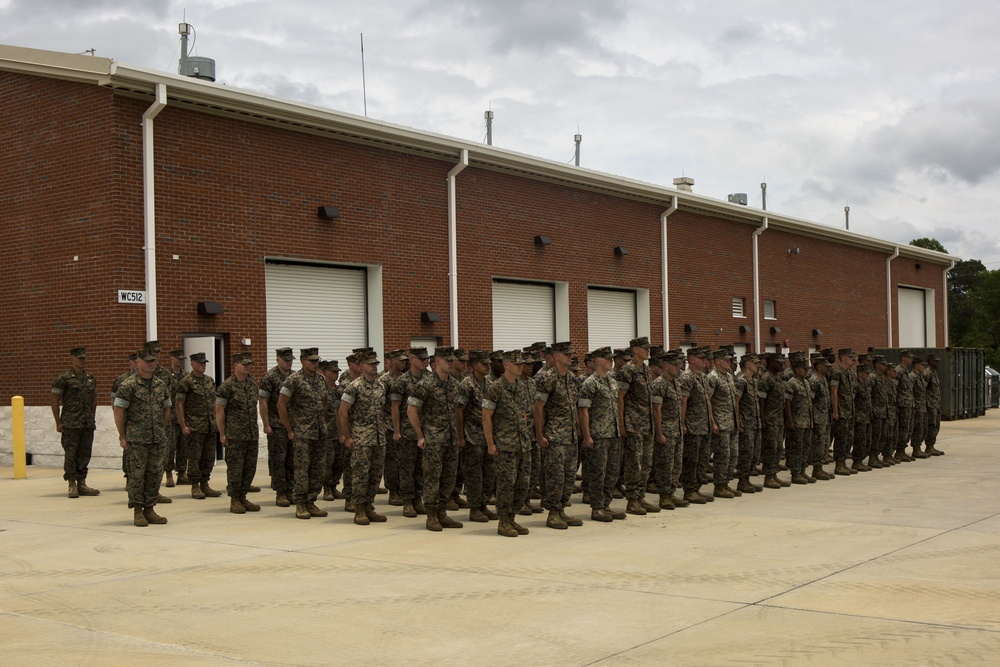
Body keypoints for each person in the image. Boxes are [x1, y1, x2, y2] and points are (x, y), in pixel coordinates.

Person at [113, 344, 172, 526]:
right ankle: (138, 510)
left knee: (154, 474)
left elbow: (167, 407)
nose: (151, 364)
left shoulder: (160, 384)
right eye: (147, 361)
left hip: (157, 438)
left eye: (153, 361)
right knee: (137, 475)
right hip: (137, 439)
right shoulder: (128, 385)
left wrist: (160, 427)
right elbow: (119, 411)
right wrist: (123, 436)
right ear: (138, 362)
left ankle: (150, 508)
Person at [408, 346, 463, 532]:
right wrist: (420, 435)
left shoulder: (454, 385)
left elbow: (456, 412)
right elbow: (411, 410)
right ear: (437, 361)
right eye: (448, 361)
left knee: (449, 477)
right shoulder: (425, 385)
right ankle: (431, 515)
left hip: (450, 440)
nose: (451, 364)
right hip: (433, 440)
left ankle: (442, 512)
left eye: (452, 361)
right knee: (432, 477)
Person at [483, 350, 533, 537]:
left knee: (522, 484)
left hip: (523, 444)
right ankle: (503, 521)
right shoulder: (495, 388)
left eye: (521, 364)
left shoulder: (523, 387)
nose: (520, 367)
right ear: (506, 365)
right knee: (506, 484)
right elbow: (486, 417)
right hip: (505, 445)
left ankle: (512, 518)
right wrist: (490, 443)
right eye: (516, 364)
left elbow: (527, 413)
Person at [534, 341, 582, 529]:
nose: (570, 356)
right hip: (554, 436)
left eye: (571, 353)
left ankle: (561, 509)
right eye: (567, 354)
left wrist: (577, 427)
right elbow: (538, 408)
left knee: (569, 475)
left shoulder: (570, 379)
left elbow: (574, 406)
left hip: (570, 436)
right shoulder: (547, 379)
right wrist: (539, 434)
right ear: (556, 357)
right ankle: (553, 513)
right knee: (555, 476)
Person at [339, 349, 389, 525]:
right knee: (360, 475)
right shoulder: (354, 387)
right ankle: (359, 509)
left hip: (378, 439)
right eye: (370, 364)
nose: (374, 367)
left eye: (376, 364)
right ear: (361, 366)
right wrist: (347, 436)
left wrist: (382, 426)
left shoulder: (380, 386)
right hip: (361, 439)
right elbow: (343, 412)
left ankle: (369, 507)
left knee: (375, 475)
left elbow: (381, 409)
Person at [278, 348, 329, 520]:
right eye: (312, 361)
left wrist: (323, 423)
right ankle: (300, 503)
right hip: (302, 433)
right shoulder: (293, 380)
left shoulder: (321, 379)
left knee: (318, 469)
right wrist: (290, 429)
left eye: (317, 361)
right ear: (302, 361)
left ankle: (311, 501)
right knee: (301, 469)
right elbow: (281, 405)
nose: (315, 364)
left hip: (320, 432)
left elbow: (325, 402)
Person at [579, 346, 627, 522]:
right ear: (598, 361)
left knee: (611, 472)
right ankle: (597, 507)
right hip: (598, 435)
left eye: (612, 359)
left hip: (613, 434)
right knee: (598, 473)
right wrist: (587, 436)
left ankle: (606, 505)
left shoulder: (612, 381)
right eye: (608, 359)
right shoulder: (590, 384)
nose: (611, 361)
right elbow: (583, 411)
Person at [617, 336, 660, 515]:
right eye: (645, 348)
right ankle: (632, 500)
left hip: (647, 423)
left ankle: (641, 496)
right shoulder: (628, 370)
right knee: (634, 464)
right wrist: (621, 424)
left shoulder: (646, 370)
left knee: (646, 462)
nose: (648, 350)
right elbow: (619, 397)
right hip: (633, 424)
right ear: (635, 350)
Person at [215, 352, 261, 514]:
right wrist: (222, 433)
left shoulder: (252, 383)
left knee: (250, 467)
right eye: (244, 364)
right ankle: (235, 499)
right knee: (235, 468)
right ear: (235, 366)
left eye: (249, 364)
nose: (248, 367)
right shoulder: (227, 386)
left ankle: (243, 496)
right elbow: (219, 410)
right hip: (235, 435)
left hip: (251, 434)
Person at [456, 349, 499, 523]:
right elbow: (459, 412)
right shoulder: (467, 385)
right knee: (474, 475)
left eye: (489, 363)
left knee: (489, 473)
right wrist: (460, 437)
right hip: (472, 436)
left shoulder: (490, 384)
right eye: (484, 364)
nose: (488, 366)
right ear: (474, 366)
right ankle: (474, 508)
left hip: (487, 437)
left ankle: (483, 504)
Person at [51, 347, 100, 498]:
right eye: (80, 358)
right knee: (71, 453)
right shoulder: (64, 378)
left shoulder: (90, 378)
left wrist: (92, 417)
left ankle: (82, 482)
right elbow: (54, 400)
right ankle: (71, 483)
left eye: (84, 358)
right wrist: (58, 422)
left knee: (85, 453)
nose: (82, 361)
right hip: (71, 423)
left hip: (87, 423)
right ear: (72, 359)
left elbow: (94, 400)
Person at [390, 347, 430, 517]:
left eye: (427, 359)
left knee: (421, 468)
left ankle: (417, 499)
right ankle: (407, 501)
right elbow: (395, 407)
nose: (425, 362)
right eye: (421, 359)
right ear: (412, 360)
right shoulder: (402, 381)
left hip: (426, 431)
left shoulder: (429, 379)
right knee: (407, 468)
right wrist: (397, 431)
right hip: (407, 432)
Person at [176, 352, 221, 499]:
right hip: (195, 426)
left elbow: (215, 402)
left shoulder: (209, 381)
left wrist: (217, 422)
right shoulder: (186, 382)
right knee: (195, 457)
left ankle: (205, 484)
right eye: (200, 363)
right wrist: (183, 425)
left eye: (204, 363)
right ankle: (195, 486)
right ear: (192, 364)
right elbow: (179, 404)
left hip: (210, 426)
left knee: (208, 456)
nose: (203, 365)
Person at [258, 347, 295, 507]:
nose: (288, 362)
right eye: (285, 359)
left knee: (292, 460)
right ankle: (280, 492)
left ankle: (290, 490)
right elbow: (263, 401)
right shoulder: (270, 377)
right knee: (278, 460)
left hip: (292, 425)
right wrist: (266, 424)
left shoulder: (294, 376)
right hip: (276, 424)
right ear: (278, 359)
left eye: (290, 359)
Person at [680, 347, 715, 504]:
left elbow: (708, 401)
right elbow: (683, 402)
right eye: (701, 358)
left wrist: (712, 422)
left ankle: (697, 489)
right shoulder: (687, 377)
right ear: (692, 360)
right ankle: (689, 490)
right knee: (691, 460)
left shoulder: (702, 377)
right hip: (693, 426)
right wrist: (682, 423)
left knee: (702, 459)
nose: (705, 361)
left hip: (704, 425)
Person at [707, 348, 741, 498]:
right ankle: (719, 486)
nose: (729, 362)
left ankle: (726, 482)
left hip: (731, 421)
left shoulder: (728, 376)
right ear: (717, 361)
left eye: (729, 360)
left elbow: (734, 400)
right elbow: (707, 400)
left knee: (733, 454)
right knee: (722, 455)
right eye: (725, 360)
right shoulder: (712, 377)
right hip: (720, 422)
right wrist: (713, 422)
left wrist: (737, 421)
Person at [757, 354, 791, 489]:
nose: (782, 365)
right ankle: (768, 476)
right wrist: (763, 420)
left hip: (779, 418)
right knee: (770, 448)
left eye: (783, 362)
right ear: (771, 363)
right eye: (779, 362)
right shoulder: (766, 378)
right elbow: (761, 400)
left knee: (778, 448)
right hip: (770, 419)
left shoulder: (778, 377)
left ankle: (774, 474)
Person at [733, 353, 762, 495]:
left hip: (755, 422)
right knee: (746, 453)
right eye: (755, 363)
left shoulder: (753, 381)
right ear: (748, 365)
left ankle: (747, 478)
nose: (758, 365)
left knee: (754, 453)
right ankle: (742, 481)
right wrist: (738, 423)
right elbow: (736, 403)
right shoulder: (741, 380)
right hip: (745, 423)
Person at [784, 353, 814, 485]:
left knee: (806, 447)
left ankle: (802, 471)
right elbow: (787, 403)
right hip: (797, 422)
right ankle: (795, 473)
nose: (806, 370)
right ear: (796, 369)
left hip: (807, 421)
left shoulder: (806, 383)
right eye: (804, 368)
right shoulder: (792, 383)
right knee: (797, 448)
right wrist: (790, 421)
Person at [319, 359, 346, 500]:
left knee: (338, 462)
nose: (335, 374)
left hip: (339, 431)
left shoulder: (339, 391)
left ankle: (334, 486)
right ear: (324, 373)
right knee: (327, 461)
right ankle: (327, 488)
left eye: (337, 372)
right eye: (333, 372)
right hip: (326, 432)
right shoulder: (321, 390)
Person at [807, 354, 834, 481]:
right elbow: (810, 400)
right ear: (819, 367)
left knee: (824, 443)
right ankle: (816, 469)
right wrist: (812, 418)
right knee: (818, 444)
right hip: (818, 417)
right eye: (826, 366)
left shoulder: (823, 379)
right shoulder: (814, 380)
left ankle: (820, 467)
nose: (828, 368)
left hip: (825, 416)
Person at [165, 349, 186, 487]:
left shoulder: (186, 376)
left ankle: (182, 473)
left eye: (182, 359)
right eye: (177, 358)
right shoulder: (166, 376)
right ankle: (168, 474)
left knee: (183, 447)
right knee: (170, 447)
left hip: (183, 417)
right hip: (171, 417)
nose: (180, 361)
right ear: (171, 359)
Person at [924, 354, 944, 456]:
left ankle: (931, 445)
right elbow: (923, 389)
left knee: (936, 426)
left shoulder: (934, 372)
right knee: (931, 425)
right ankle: (928, 446)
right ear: (930, 361)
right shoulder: (927, 373)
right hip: (930, 404)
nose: (938, 363)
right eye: (936, 361)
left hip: (936, 404)